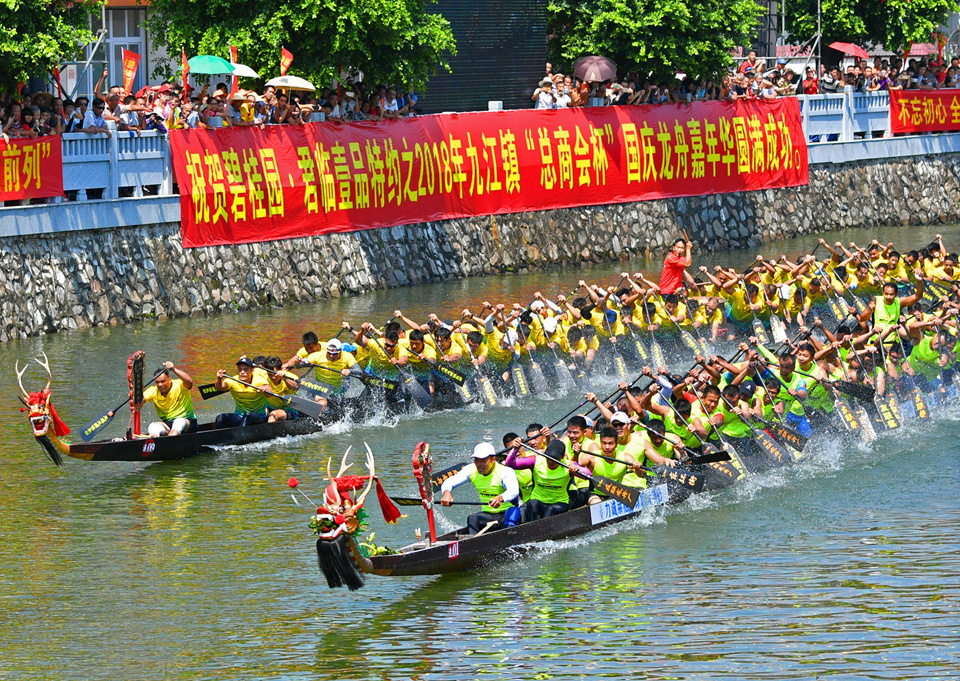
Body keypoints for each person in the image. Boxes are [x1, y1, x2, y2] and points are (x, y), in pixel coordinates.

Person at [440, 442, 521, 534]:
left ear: (493, 459)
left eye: (483, 460)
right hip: (488, 516)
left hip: (506, 514)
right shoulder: (471, 470)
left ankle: (509, 541)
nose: (479, 464)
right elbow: (449, 482)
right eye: (476, 460)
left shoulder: (505, 472)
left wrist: (501, 498)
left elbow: (514, 491)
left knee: (514, 512)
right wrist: (446, 493)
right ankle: (472, 544)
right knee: (473, 518)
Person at [506, 439, 590, 521]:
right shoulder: (536, 460)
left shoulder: (568, 465)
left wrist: (578, 470)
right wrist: (515, 450)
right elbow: (509, 464)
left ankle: (541, 530)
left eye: (555, 458)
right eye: (548, 457)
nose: (550, 461)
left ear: (563, 456)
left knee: (550, 510)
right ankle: (535, 529)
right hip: (538, 501)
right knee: (532, 504)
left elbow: (588, 475)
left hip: (559, 503)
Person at [141, 361, 197, 437]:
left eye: (163, 381)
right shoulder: (153, 390)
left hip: (188, 422)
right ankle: (154, 441)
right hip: (168, 424)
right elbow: (141, 400)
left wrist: (174, 369)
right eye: (157, 382)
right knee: (153, 426)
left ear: (169, 379)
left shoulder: (179, 385)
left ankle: (169, 442)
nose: (160, 385)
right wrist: (136, 398)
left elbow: (189, 381)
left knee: (178, 422)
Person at [214, 355, 269, 428]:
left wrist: (264, 389)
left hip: (259, 417)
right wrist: (219, 379)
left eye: (246, 370)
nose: (242, 372)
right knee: (220, 418)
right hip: (239, 416)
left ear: (252, 370)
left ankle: (238, 436)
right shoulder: (233, 380)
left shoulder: (259, 380)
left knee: (248, 415)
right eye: (240, 369)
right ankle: (220, 437)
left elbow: (269, 391)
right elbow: (219, 387)